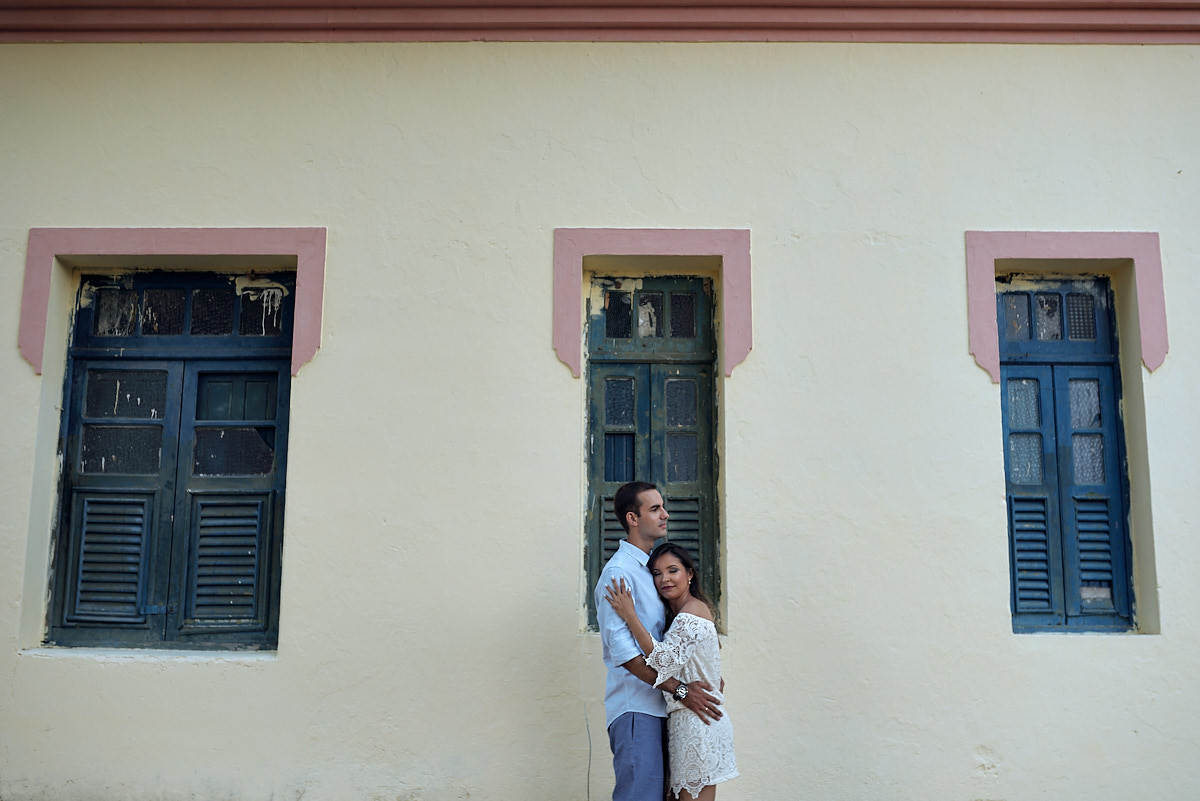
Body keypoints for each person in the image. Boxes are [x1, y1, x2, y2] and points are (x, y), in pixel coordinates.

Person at [596, 481, 724, 801]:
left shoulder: (652, 571)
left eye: (663, 507)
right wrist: (681, 689)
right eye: (655, 509)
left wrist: (703, 676)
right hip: (637, 709)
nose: (665, 514)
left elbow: (677, 640)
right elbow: (626, 654)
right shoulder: (619, 574)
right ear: (632, 518)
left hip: (666, 711)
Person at [604, 542, 738, 801]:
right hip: (687, 722)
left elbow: (663, 662)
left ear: (689, 574)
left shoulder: (691, 612)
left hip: (697, 724)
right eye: (656, 573)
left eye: (672, 570)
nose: (664, 578)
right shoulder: (682, 615)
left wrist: (630, 615)